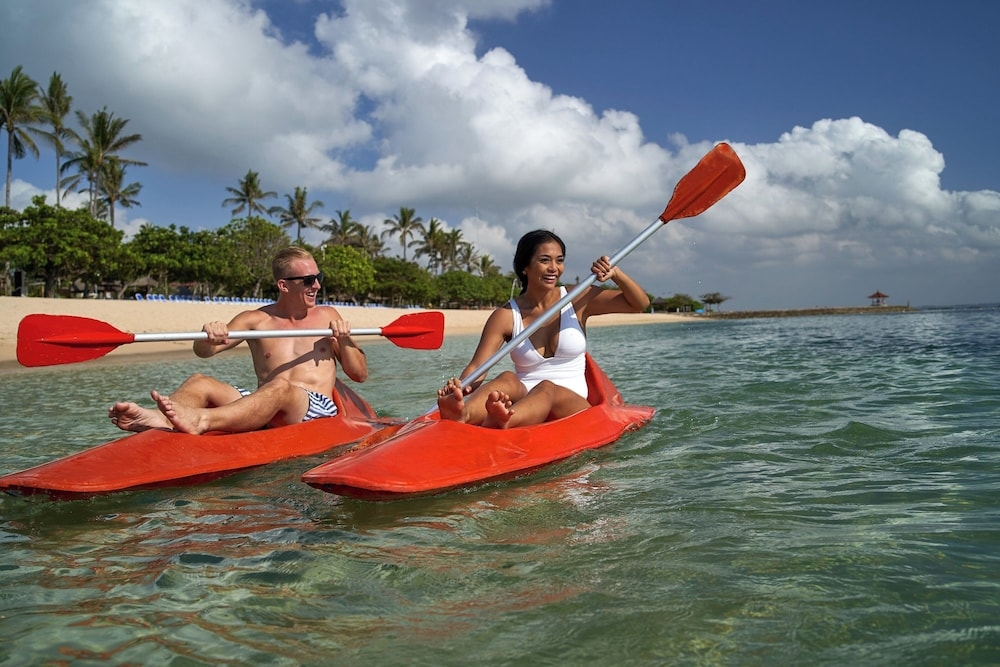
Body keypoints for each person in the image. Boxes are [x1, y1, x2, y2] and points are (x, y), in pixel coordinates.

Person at [108, 247, 368, 435]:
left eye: (318, 278)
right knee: (200, 382)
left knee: (280, 386)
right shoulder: (255, 320)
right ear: (284, 285)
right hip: (268, 402)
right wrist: (209, 335)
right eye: (309, 280)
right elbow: (204, 352)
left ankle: (202, 420)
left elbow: (359, 374)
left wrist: (344, 340)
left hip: (315, 409)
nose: (317, 286)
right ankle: (160, 419)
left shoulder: (328, 316)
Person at [437, 229, 649, 429]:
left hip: (573, 405)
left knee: (547, 387)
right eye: (544, 260)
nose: (554, 268)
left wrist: (616, 275)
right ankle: (463, 415)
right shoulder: (506, 315)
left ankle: (505, 420)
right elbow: (478, 366)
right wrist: (460, 389)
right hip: (525, 398)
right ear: (524, 266)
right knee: (507, 379)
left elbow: (638, 304)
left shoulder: (578, 298)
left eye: (559, 260)